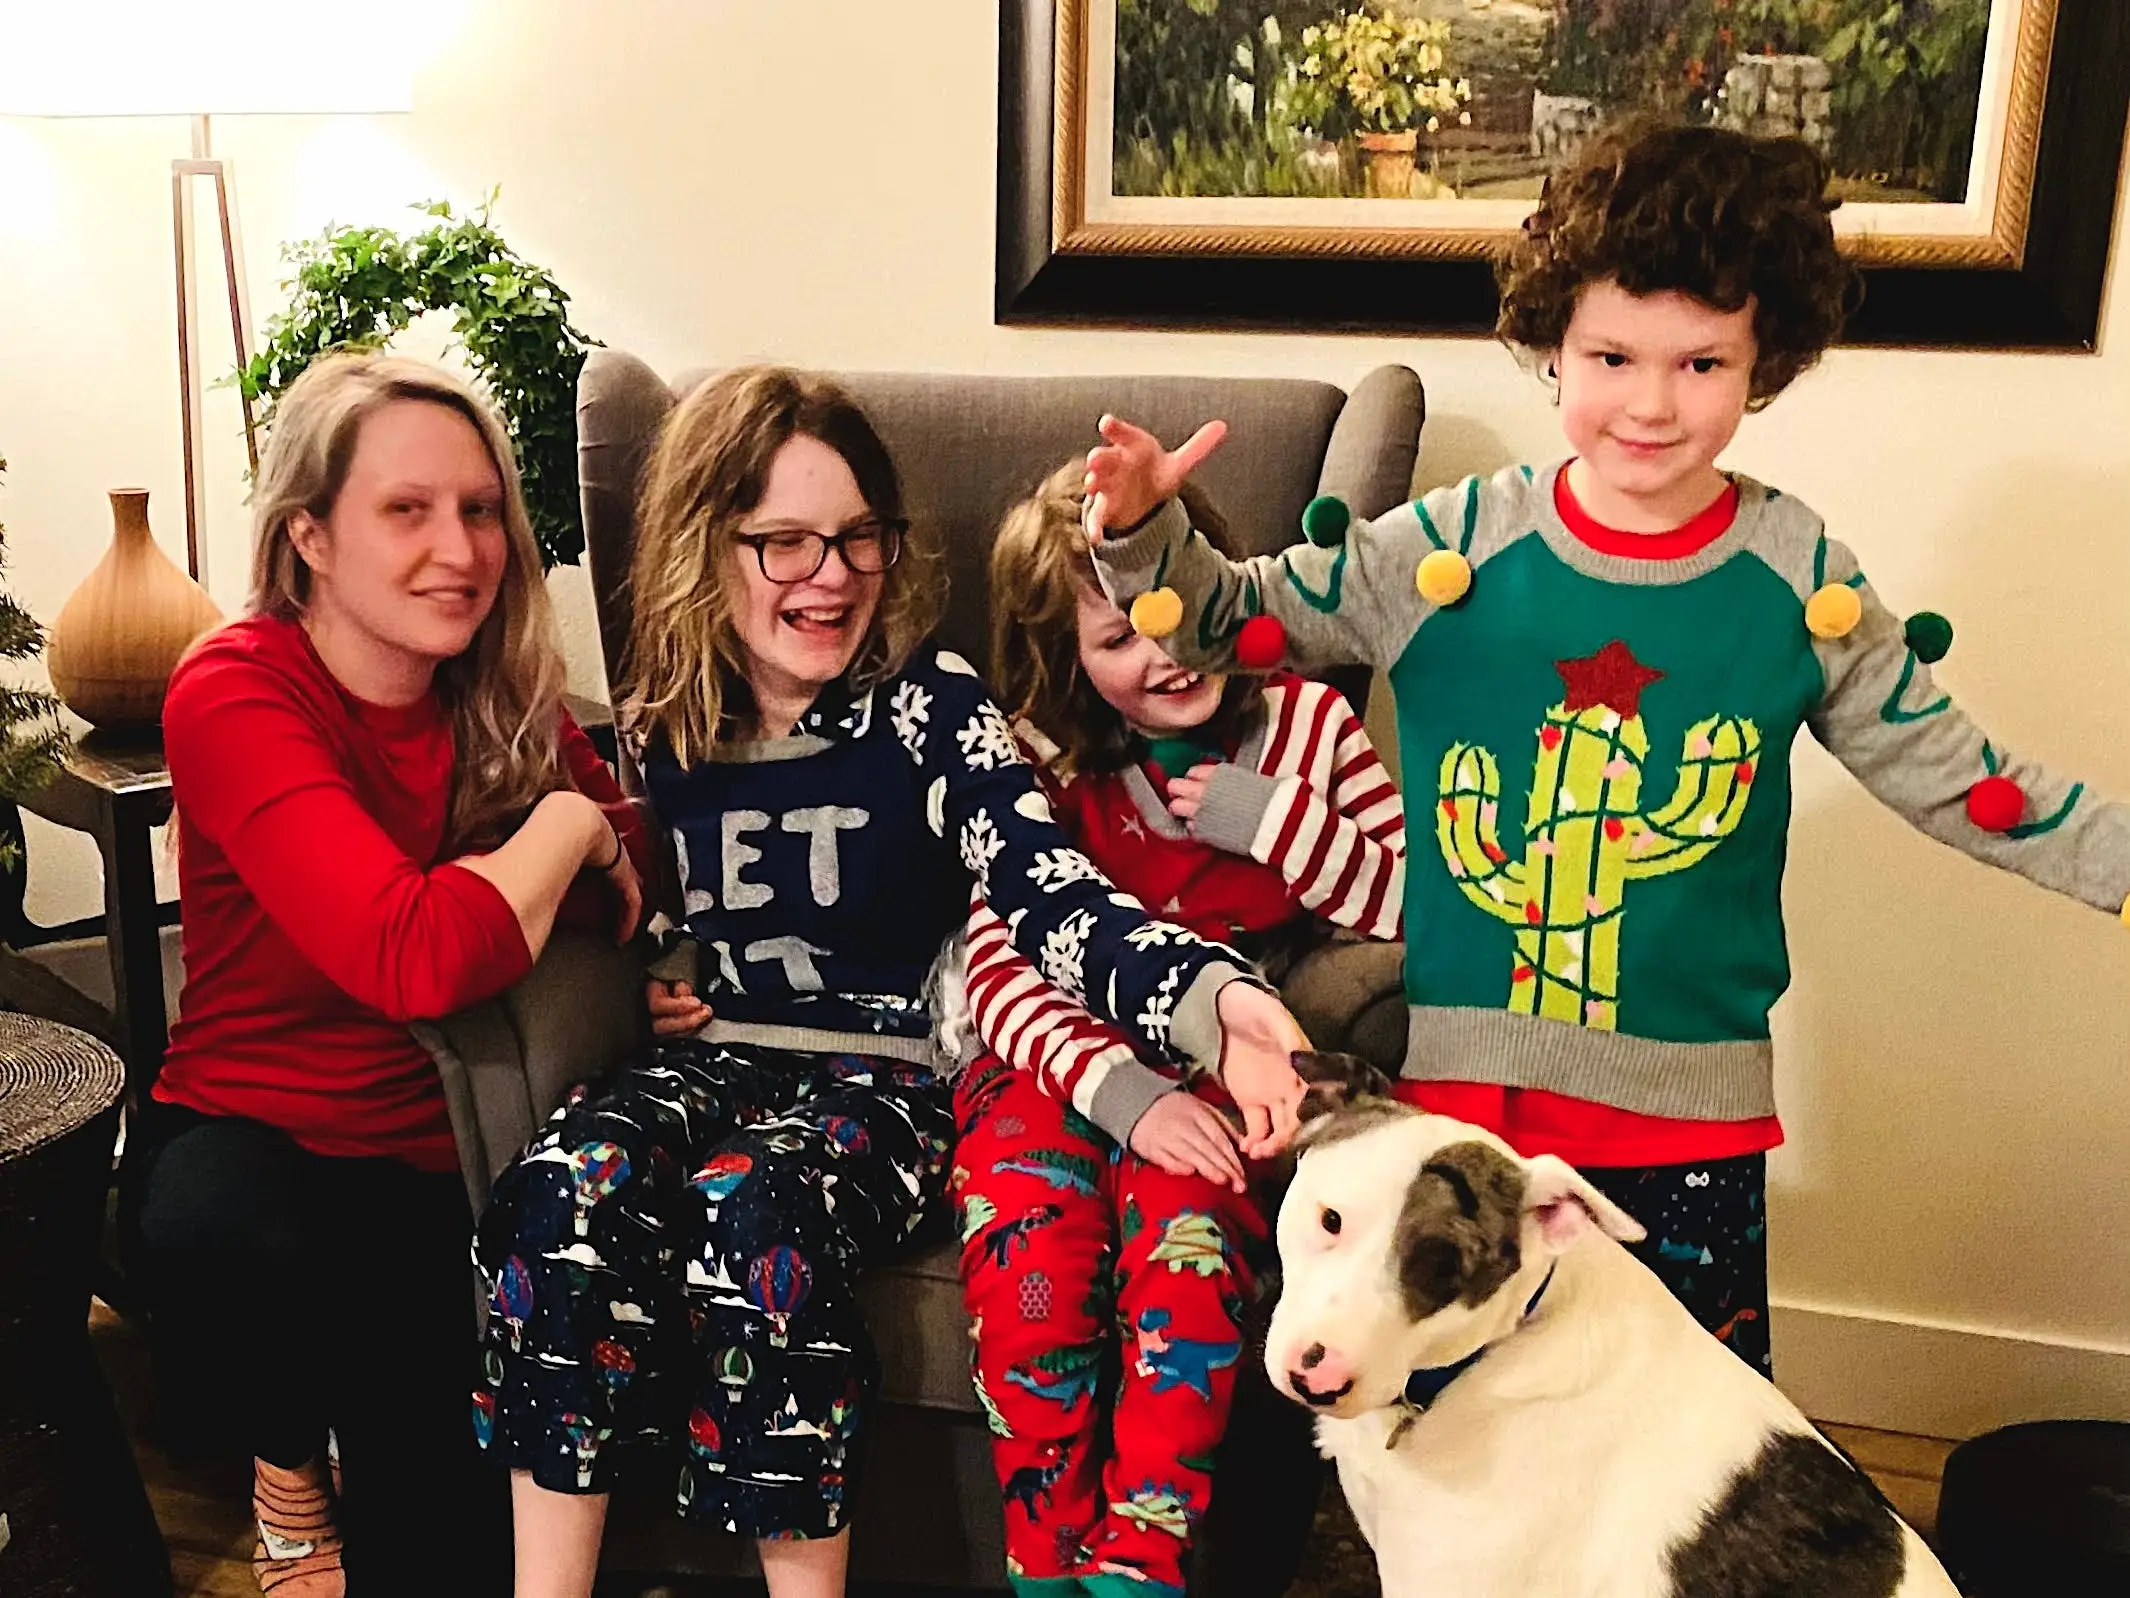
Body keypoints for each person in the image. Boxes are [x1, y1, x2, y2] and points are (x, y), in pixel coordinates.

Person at [1075, 121, 2130, 1380]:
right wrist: (1140, 534)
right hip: (1463, 1122)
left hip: (1691, 1127)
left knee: (1683, 1445)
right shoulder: (1452, 546)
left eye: (1702, 362)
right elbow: (1231, 618)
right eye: (1611, 354)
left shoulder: (1799, 580)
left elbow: (1962, 776)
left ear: (1766, 362)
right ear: (1552, 343)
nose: (1649, 401)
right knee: (1462, 1431)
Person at [474, 366, 1310, 1598]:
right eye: (787, 542)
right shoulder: (666, 726)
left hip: (892, 1078)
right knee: (555, 1197)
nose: (834, 574)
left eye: (859, 536)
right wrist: (654, 945)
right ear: (709, 547)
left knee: (750, 1213)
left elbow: (1048, 890)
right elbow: (645, 886)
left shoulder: (932, 706)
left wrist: (1216, 1002)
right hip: (711, 1058)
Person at [125, 351, 648, 1597]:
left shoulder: (503, 683)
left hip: (438, 1150)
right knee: (221, 1234)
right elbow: (411, 951)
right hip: (255, 1125)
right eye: (405, 510)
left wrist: (572, 838)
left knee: (445, 1553)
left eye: (479, 510)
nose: (460, 549)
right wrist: (561, 832)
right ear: (309, 534)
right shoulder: (235, 686)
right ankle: (288, 1457)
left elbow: (644, 853)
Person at [942, 460, 1405, 1598]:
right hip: (1050, 1064)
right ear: (1067, 662)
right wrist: (1119, 1092)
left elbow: (1410, 908)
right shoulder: (1037, 760)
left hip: (1226, 1062)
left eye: (1170, 613)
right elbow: (999, 970)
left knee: (1193, 1264)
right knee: (1033, 1263)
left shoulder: (1308, 729)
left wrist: (1279, 824)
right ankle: (1044, 1562)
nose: (1162, 654)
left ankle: (1138, 1565)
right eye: (1115, 640)